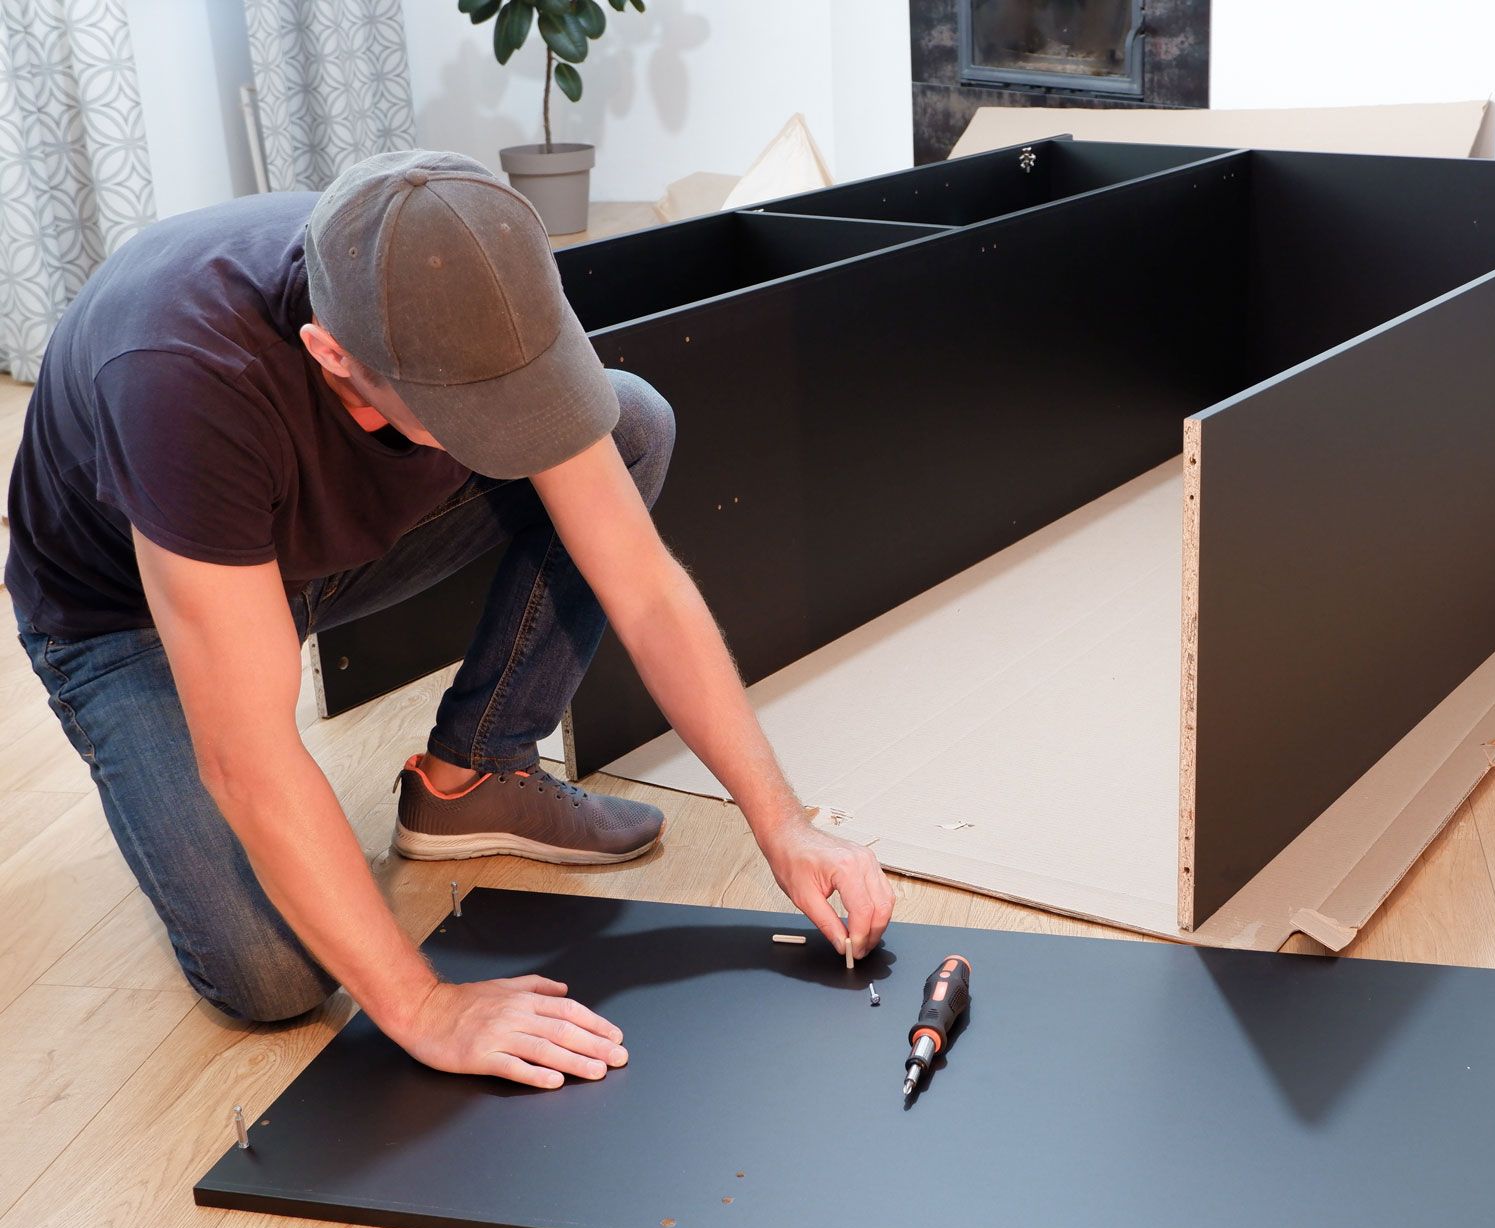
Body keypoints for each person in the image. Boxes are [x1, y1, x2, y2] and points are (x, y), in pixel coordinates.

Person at [5, 150, 894, 1090]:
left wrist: (785, 823)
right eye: (472, 417)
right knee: (274, 979)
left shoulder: (471, 270)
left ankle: (476, 773)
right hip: (127, 618)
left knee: (626, 428)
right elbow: (248, 756)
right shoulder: (181, 380)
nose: (512, 431)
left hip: (301, 554)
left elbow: (643, 585)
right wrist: (423, 1005)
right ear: (331, 356)